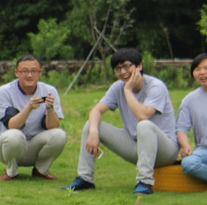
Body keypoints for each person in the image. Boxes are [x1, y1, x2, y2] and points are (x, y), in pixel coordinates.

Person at [62, 48, 179, 194]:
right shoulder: (118, 87)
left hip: (165, 150)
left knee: (144, 125)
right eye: (118, 69)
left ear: (139, 66)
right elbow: (95, 111)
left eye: (127, 66)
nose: (123, 72)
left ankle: (144, 181)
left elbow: (143, 115)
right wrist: (93, 133)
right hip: (136, 146)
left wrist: (128, 91)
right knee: (92, 124)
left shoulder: (155, 86)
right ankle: (85, 179)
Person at [0, 55, 66, 180]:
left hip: (35, 145)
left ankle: (41, 170)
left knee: (60, 134)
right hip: (7, 147)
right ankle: (11, 171)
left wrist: (50, 108)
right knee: (13, 135)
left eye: (34, 71)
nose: (30, 75)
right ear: (17, 73)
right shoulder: (3, 92)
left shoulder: (50, 91)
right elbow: (12, 125)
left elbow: (53, 126)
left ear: (40, 73)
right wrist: (29, 107)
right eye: (25, 71)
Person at [176, 53, 207, 182]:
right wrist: (186, 146)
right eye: (197, 69)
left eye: (206, 68)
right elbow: (181, 129)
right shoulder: (189, 100)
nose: (202, 72)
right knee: (189, 163)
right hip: (204, 151)